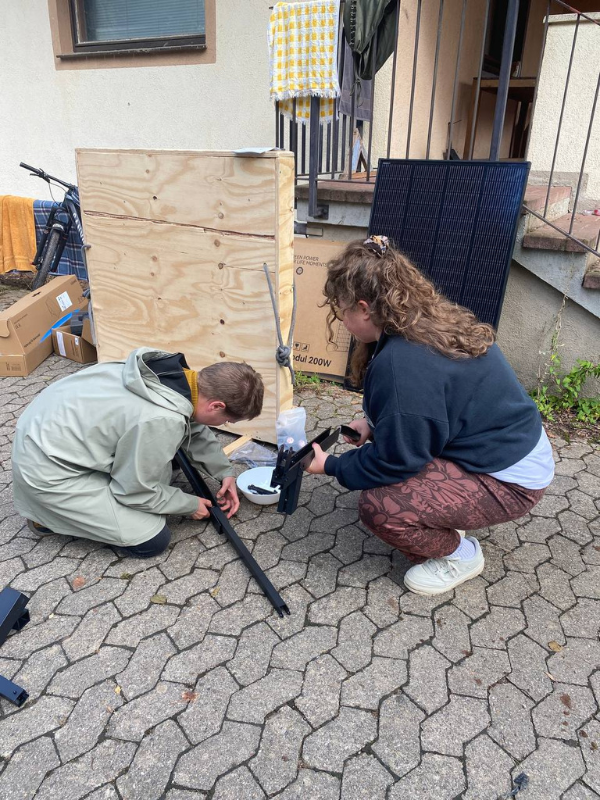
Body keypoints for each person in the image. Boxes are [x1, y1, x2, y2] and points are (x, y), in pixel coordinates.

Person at [307, 236, 554, 596]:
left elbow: (397, 462)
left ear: (363, 308)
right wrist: (375, 428)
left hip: (512, 482)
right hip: (508, 449)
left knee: (380, 507)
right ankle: (449, 512)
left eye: (341, 310)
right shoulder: (424, 320)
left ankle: (461, 555)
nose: (342, 320)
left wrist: (331, 466)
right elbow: (429, 416)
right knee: (391, 480)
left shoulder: (401, 365)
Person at [12, 348, 264, 558]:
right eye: (227, 421)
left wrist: (224, 472)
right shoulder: (161, 419)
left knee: (167, 458)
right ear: (216, 405)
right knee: (153, 538)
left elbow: (192, 426)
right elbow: (134, 491)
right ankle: (47, 517)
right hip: (50, 475)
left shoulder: (170, 374)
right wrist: (188, 505)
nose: (224, 426)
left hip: (47, 439)